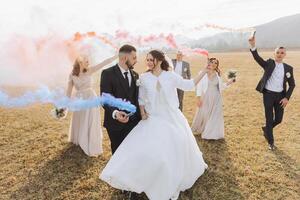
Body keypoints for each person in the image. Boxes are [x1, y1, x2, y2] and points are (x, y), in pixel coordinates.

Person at [100, 50, 208, 200]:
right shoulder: (144, 78)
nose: (148, 62)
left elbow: (188, 85)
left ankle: (171, 176)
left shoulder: (170, 76)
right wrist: (143, 112)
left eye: (151, 60)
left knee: (176, 144)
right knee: (148, 149)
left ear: (159, 60)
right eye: (147, 60)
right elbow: (142, 98)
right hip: (153, 117)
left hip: (171, 116)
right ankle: (143, 178)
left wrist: (204, 71)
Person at [249, 35, 295, 150]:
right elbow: (257, 58)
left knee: (278, 119)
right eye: (278, 52)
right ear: (275, 54)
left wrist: (286, 98)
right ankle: (271, 142)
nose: (279, 54)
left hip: (280, 96)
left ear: (285, 55)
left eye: (282, 53)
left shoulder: (288, 68)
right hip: (268, 95)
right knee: (269, 119)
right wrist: (253, 45)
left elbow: (292, 84)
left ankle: (267, 129)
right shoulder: (269, 63)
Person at [66, 54, 117, 156]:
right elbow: (68, 91)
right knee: (80, 119)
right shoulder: (72, 75)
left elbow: (103, 63)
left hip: (90, 97)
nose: (88, 62)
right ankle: (79, 138)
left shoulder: (89, 70)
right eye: (86, 61)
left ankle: (89, 139)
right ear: (80, 62)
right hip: (79, 99)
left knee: (90, 119)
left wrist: (115, 56)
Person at [100, 44, 141, 154]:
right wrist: (116, 113)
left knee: (133, 153)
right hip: (115, 124)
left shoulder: (136, 75)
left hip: (134, 122)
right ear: (124, 58)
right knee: (118, 155)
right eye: (134, 58)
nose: (136, 61)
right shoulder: (107, 74)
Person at [191, 58, 235, 140]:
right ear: (209, 63)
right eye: (212, 62)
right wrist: (198, 98)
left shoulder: (217, 75)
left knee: (215, 115)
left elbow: (221, 86)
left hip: (216, 97)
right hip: (206, 97)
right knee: (205, 114)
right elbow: (199, 87)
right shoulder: (202, 73)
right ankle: (202, 128)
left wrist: (230, 82)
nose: (214, 64)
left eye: (216, 63)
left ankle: (212, 133)